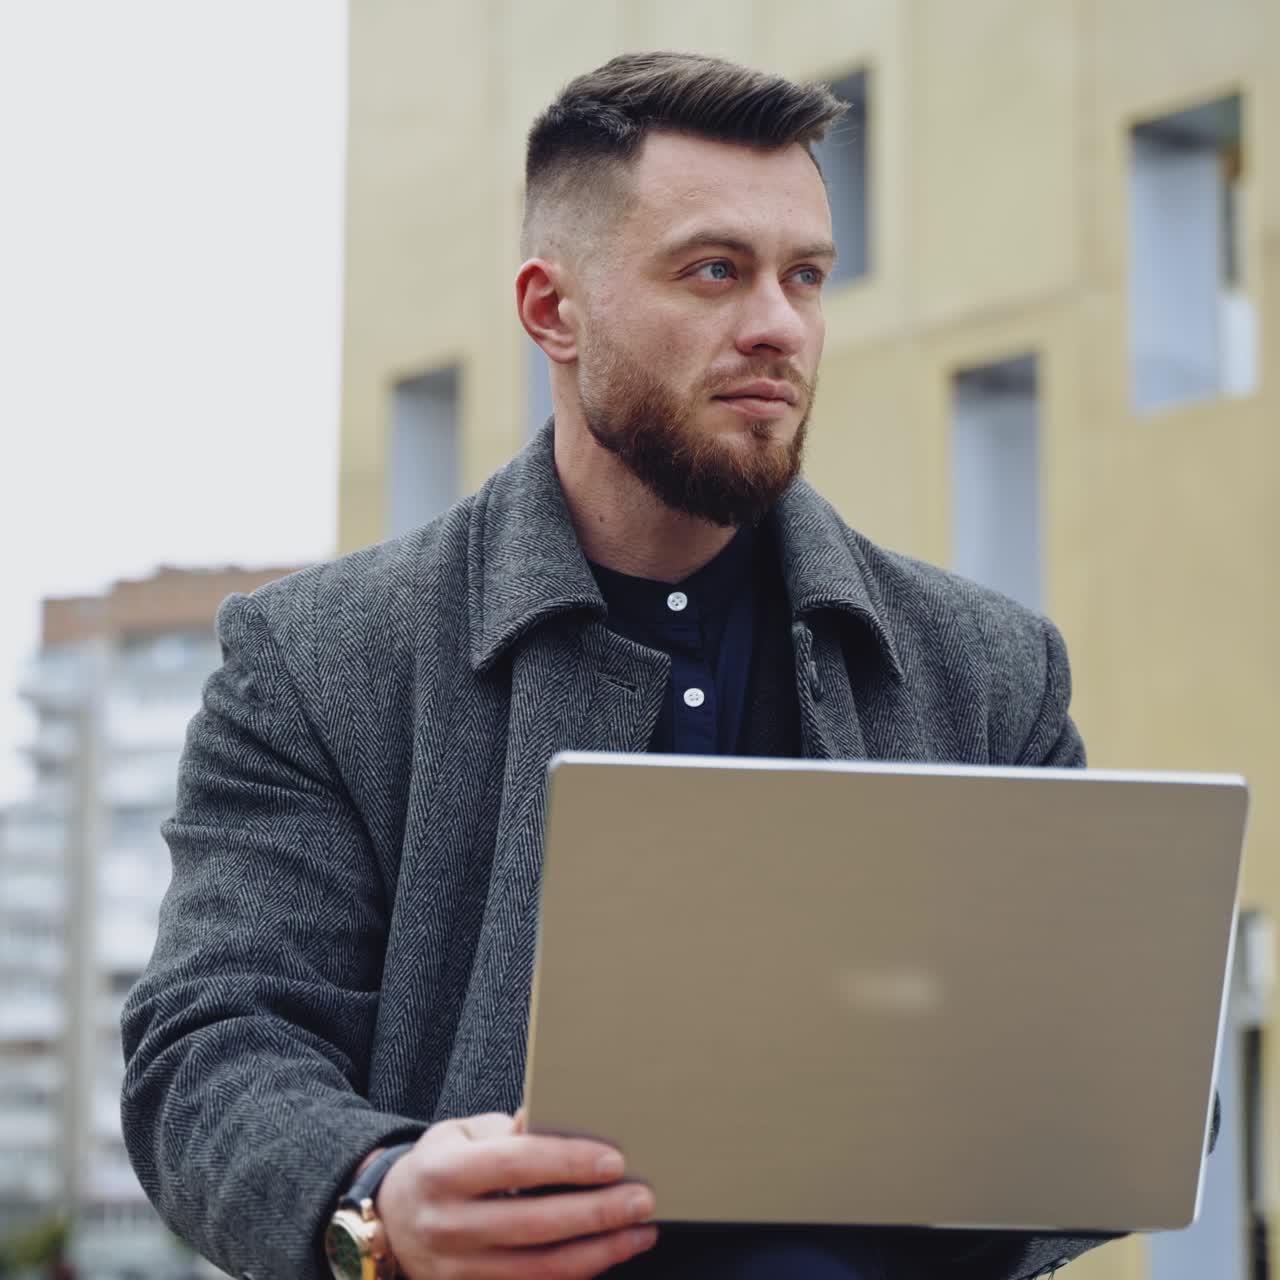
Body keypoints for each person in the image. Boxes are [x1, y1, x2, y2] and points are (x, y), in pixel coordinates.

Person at [122, 52, 1126, 1280]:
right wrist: (376, 1196)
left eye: (803, 275)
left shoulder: (988, 667)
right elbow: (212, 1044)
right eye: (713, 270)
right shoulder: (321, 659)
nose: (775, 324)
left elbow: (1118, 1078)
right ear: (552, 309)